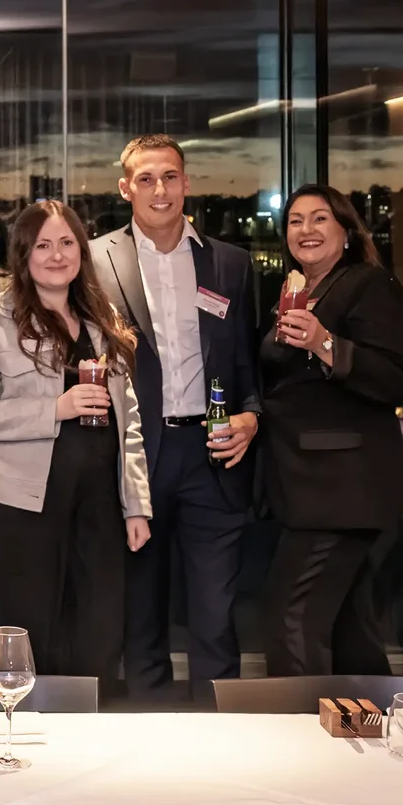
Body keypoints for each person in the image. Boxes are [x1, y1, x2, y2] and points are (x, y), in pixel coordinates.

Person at [87, 137, 261, 704]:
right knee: (141, 610)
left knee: (215, 611)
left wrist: (252, 415)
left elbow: (248, 361)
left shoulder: (231, 263)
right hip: (136, 453)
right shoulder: (94, 261)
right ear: (125, 188)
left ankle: (221, 738)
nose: (159, 190)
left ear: (187, 183)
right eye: (145, 179)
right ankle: (148, 732)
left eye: (170, 177)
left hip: (212, 455)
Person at [0, 199, 152, 685]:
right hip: (19, 507)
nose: (56, 255)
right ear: (23, 253)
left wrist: (136, 505)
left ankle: (86, 749)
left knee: (98, 633)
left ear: (81, 252)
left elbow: (129, 421)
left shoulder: (100, 317)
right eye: (43, 244)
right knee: (31, 637)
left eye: (67, 243)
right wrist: (55, 409)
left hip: (98, 506)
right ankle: (23, 742)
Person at [256, 186, 403, 678]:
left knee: (290, 619)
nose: (306, 230)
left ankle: (303, 741)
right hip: (304, 484)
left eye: (319, 218)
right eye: (296, 221)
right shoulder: (299, 291)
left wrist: (326, 343)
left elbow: (394, 380)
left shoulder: (370, 284)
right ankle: (378, 731)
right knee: (350, 628)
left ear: (346, 232)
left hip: (342, 489)